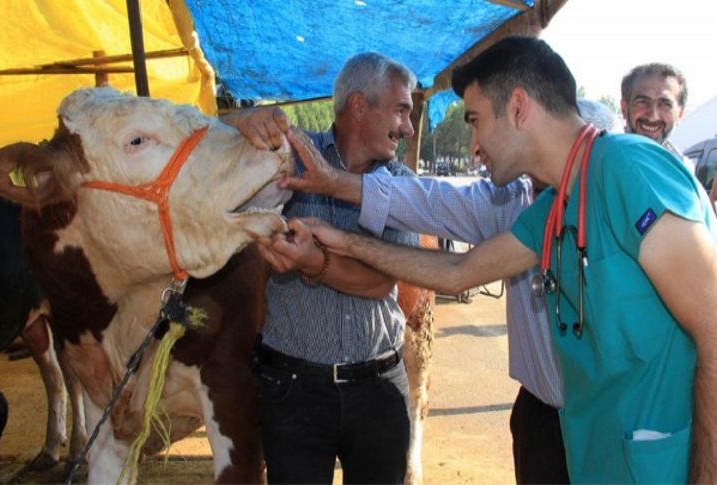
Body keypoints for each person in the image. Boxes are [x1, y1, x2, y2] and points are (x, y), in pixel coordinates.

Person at [283, 37, 716, 483]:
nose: (472, 146)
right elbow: (460, 271)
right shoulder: (554, 209)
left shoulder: (629, 167)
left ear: (517, 108)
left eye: (475, 121)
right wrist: (344, 240)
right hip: (601, 458)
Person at [267, 98, 616, 484]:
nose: (474, 147)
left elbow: (455, 273)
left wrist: (328, 253)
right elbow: (442, 235)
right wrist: (342, 223)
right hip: (542, 419)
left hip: (615, 421)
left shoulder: (634, 194)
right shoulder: (513, 203)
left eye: (479, 124)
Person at [225, 52, 420, 484]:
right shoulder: (287, 161)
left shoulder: (401, 184)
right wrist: (241, 122)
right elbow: (204, 144)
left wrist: (315, 263)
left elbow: (378, 281)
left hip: (379, 390)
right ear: (358, 106)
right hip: (294, 390)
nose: (407, 127)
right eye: (400, 110)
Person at [620, 62, 694, 170]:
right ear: (624, 108)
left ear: (680, 114)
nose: (653, 116)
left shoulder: (683, 169)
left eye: (665, 104)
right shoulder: (601, 159)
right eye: (642, 102)